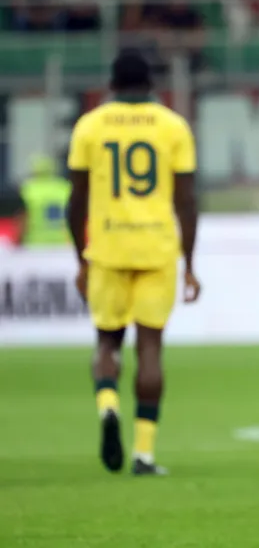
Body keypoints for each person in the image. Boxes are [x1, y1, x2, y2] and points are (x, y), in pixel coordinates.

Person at [65, 51, 201, 476]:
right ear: (151, 84)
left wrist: (81, 259)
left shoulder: (90, 126)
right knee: (150, 348)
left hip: (108, 246)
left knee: (107, 342)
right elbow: (186, 201)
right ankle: (143, 454)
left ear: (112, 84)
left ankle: (108, 405)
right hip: (156, 248)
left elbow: (76, 201)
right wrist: (190, 264)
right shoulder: (172, 126)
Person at [18, 154, 72, 247]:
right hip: (63, 243)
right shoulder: (65, 187)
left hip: (36, 243)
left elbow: (22, 218)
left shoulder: (27, 189)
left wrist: (18, 241)